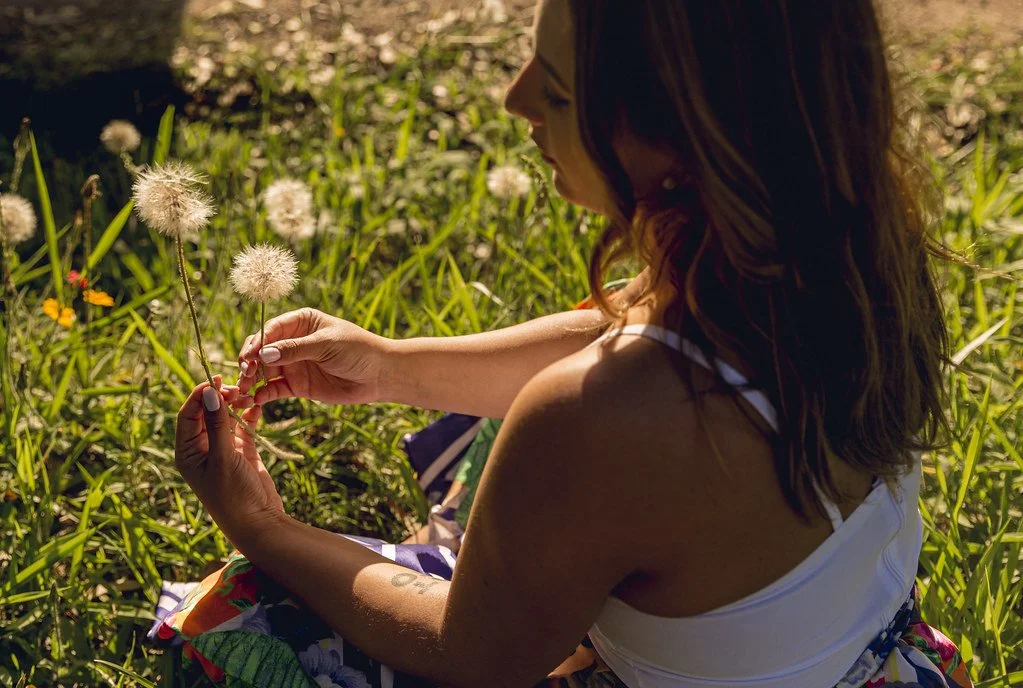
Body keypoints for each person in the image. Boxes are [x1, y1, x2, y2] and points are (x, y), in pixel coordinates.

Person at [165, 1, 975, 686]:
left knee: (240, 615)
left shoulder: (596, 421)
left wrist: (260, 527)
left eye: (554, 91)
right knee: (504, 430)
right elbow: (619, 325)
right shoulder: (851, 264)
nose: (516, 100)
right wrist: (386, 366)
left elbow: (474, 657)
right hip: (869, 662)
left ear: (681, 141)